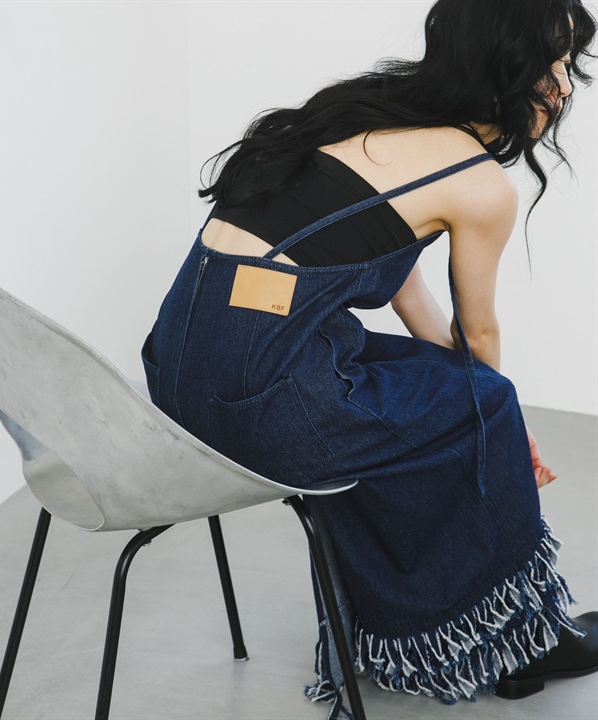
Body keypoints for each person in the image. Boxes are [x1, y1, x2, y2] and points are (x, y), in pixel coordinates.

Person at [141, 0, 598, 716]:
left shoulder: (365, 117)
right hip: (259, 404)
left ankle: (467, 628)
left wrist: (487, 416)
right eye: (552, 66)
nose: (565, 88)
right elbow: (479, 338)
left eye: (570, 66)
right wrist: (498, 419)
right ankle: (520, 638)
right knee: (488, 401)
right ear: (503, 68)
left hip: (179, 374)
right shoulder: (479, 184)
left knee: (467, 401)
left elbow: (406, 290)